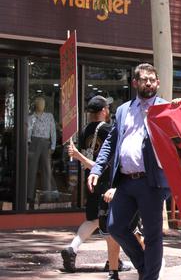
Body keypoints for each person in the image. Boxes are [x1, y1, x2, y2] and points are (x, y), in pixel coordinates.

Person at [88, 63, 169, 280]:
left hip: (151, 182)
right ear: (135, 83)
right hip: (125, 181)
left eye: (152, 79)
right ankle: (145, 267)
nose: (149, 83)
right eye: (144, 79)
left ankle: (149, 276)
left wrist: (178, 108)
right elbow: (110, 142)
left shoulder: (165, 108)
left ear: (158, 82)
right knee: (115, 227)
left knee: (152, 235)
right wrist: (97, 168)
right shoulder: (123, 109)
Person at [61, 96, 128, 279]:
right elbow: (105, 160)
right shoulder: (108, 130)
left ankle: (72, 248)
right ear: (104, 110)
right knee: (109, 223)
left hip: (91, 181)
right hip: (106, 182)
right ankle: (112, 261)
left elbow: (87, 160)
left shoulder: (84, 132)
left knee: (94, 219)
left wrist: (79, 157)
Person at [27, 96, 56, 203]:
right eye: (39, 103)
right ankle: (29, 195)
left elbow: (53, 131)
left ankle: (49, 195)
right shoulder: (31, 118)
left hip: (45, 143)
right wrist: (28, 144)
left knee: (47, 169)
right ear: (35, 104)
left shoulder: (49, 116)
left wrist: (53, 145)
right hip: (34, 143)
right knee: (31, 170)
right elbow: (28, 133)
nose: (41, 105)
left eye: (43, 103)